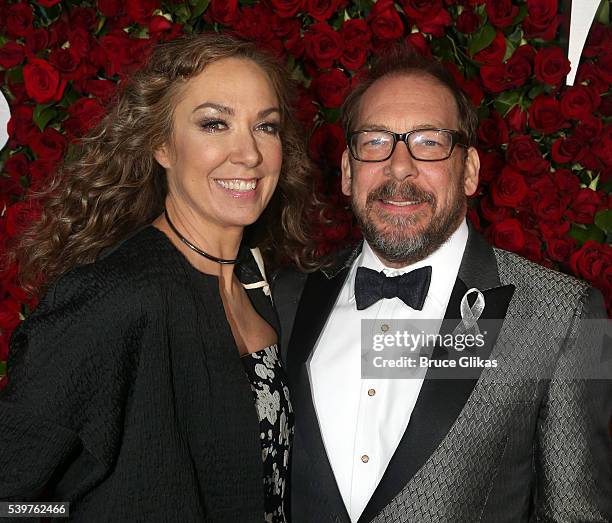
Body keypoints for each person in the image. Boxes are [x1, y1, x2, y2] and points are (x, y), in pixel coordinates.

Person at [273, 46, 612, 522]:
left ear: (469, 170)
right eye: (375, 142)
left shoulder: (568, 314)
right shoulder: (286, 297)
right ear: (348, 171)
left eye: (429, 142)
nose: (398, 167)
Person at [0, 33, 316, 522]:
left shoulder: (261, 284)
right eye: (215, 124)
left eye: (266, 127)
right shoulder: (116, 298)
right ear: (162, 145)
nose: (249, 154)